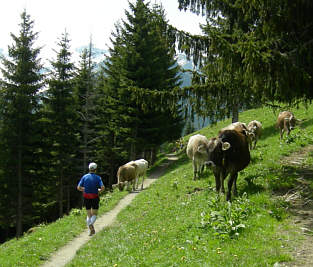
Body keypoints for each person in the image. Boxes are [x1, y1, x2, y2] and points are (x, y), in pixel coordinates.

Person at [77, 162, 105, 236]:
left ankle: (90, 230)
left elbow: (78, 187)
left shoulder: (84, 177)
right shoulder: (98, 178)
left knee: (89, 214)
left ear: (89, 169)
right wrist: (99, 191)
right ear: (95, 170)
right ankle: (90, 225)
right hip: (95, 197)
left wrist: (85, 189)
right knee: (94, 214)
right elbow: (102, 188)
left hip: (86, 197)